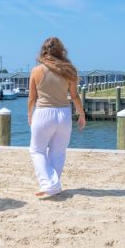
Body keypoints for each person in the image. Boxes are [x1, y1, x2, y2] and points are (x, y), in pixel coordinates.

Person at [28, 37, 86, 197]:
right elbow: (74, 96)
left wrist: (30, 115)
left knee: (37, 151)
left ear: (43, 51)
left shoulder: (36, 71)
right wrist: (81, 114)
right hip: (63, 114)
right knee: (58, 152)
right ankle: (53, 184)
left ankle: (49, 184)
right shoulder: (69, 70)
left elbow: (32, 98)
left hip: (43, 114)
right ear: (61, 51)